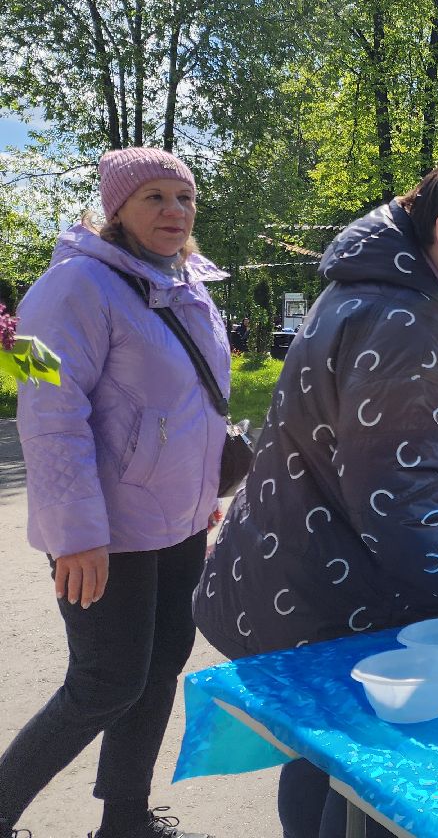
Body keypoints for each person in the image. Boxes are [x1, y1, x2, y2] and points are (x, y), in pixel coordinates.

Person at [191, 152, 438, 838]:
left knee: (317, 755)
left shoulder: (389, 292)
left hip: (313, 579)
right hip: (341, 594)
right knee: (359, 778)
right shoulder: (402, 318)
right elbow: (403, 500)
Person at [1, 148, 226, 838]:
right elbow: (40, 411)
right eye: (154, 197)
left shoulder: (187, 284)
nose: (174, 211)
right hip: (104, 534)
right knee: (105, 682)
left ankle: (126, 821)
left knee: (160, 669)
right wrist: (75, 535)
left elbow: (192, 403)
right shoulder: (63, 288)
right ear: (116, 208)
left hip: (178, 523)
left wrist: (202, 493)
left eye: (184, 198)